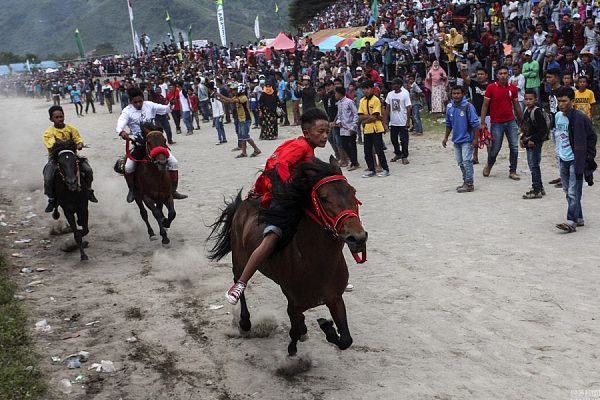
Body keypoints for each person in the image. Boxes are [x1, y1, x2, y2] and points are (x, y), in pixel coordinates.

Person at [225, 108, 330, 304]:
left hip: (296, 196)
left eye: (327, 132)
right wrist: (288, 188)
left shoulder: (308, 149)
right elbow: (278, 165)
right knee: (272, 238)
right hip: (282, 198)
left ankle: (333, 275)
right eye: (321, 132)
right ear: (307, 133)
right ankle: (241, 283)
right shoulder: (299, 147)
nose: (325, 136)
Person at [116, 87, 188, 202]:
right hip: (140, 144)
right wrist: (122, 131)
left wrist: (170, 104)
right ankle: (132, 190)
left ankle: (173, 191)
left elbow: (165, 110)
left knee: (174, 162)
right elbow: (120, 124)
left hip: (155, 143)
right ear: (131, 101)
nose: (139, 104)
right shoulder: (127, 111)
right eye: (135, 102)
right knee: (128, 167)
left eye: (140, 101)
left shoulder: (149, 105)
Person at [554, 87, 597, 232]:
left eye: (564, 101)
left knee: (573, 191)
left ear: (572, 101)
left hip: (576, 160)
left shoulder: (580, 118)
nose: (561, 104)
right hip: (563, 158)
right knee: (567, 190)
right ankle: (578, 218)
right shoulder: (558, 116)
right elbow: (559, 136)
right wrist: (558, 153)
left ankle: (571, 221)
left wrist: (587, 156)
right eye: (559, 101)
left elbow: (592, 138)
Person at [43, 106, 97, 212]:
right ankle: (52, 199)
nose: (59, 119)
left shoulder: (71, 129)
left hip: (72, 158)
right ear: (51, 119)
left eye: (61, 116)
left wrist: (80, 144)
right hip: (56, 159)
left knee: (88, 170)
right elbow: (51, 145)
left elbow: (78, 139)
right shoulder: (49, 132)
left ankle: (89, 190)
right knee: (48, 178)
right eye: (56, 117)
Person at [480, 65, 524, 180]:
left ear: (508, 75)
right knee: (495, 147)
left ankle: (513, 171)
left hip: (510, 121)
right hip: (496, 122)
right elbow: (485, 105)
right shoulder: (491, 88)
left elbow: (517, 105)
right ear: (497, 75)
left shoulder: (513, 88)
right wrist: (483, 122)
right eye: (501, 73)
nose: (503, 75)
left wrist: (523, 121)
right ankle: (489, 165)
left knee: (514, 146)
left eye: (505, 73)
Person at [442, 86, 480, 193]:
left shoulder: (468, 106)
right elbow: (448, 124)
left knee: (467, 161)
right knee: (460, 162)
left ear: (463, 94)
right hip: (456, 139)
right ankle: (465, 181)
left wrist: (475, 139)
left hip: (467, 139)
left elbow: (475, 123)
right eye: (454, 93)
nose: (456, 96)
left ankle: (469, 183)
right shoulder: (450, 107)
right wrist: (445, 137)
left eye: (458, 93)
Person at [215, 84, 262, 158]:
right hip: (241, 119)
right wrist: (219, 99)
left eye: (234, 90)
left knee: (245, 136)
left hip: (245, 119)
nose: (233, 91)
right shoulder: (237, 97)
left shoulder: (244, 97)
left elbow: (231, 100)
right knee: (241, 136)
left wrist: (221, 96)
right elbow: (228, 102)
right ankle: (244, 152)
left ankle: (256, 149)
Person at [520, 89, 549, 199]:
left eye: (530, 99)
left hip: (535, 143)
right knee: (532, 165)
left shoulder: (536, 112)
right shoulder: (526, 111)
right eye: (526, 99)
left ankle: (536, 189)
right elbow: (525, 127)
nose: (528, 101)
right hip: (528, 141)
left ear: (535, 99)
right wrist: (522, 138)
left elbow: (543, 129)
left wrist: (534, 140)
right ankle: (539, 187)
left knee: (534, 165)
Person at [358, 80, 390, 177]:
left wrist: (365, 120)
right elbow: (360, 116)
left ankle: (385, 169)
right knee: (367, 150)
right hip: (367, 129)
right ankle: (371, 169)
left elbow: (375, 116)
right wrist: (368, 118)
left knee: (379, 150)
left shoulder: (376, 100)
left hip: (376, 128)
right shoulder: (362, 100)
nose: (365, 91)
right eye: (363, 89)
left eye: (367, 88)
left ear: (372, 89)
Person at [384, 77, 412, 164]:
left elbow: (408, 108)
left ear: (399, 85)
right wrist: (386, 121)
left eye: (394, 84)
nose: (392, 85)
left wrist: (407, 121)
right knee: (393, 139)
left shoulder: (405, 94)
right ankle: (397, 153)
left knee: (404, 140)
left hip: (402, 121)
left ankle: (404, 156)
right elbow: (387, 107)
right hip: (393, 121)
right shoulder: (390, 94)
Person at [546, 69, 564, 188]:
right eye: (547, 77)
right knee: (557, 152)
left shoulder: (562, 91)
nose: (548, 80)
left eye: (550, 77)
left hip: (561, 125)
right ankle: (562, 174)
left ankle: (565, 176)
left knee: (563, 151)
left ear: (557, 78)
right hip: (553, 124)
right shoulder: (551, 91)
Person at [335, 86, 360, 171]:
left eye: (336, 93)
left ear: (339, 93)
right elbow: (339, 115)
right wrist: (338, 122)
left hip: (350, 128)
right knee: (344, 145)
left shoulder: (349, 102)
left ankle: (354, 163)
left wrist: (353, 127)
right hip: (343, 128)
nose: (335, 95)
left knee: (352, 145)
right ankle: (354, 161)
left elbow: (356, 115)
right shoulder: (339, 103)